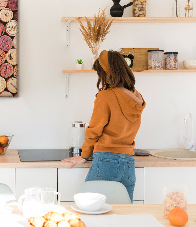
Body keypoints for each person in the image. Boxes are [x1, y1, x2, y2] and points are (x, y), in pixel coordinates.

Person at [62, 50, 145, 202]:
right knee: (123, 214)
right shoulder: (136, 97)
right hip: (128, 163)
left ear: (107, 73)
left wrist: (84, 156)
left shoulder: (106, 96)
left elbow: (94, 131)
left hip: (106, 161)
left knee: (88, 207)